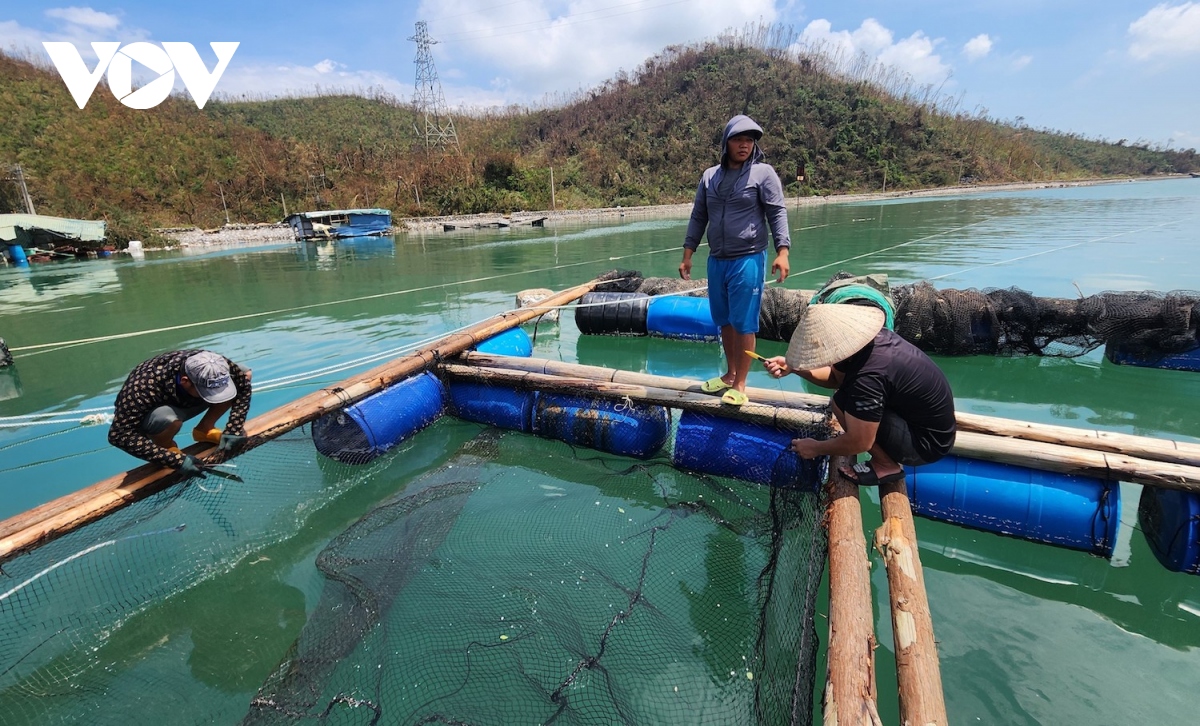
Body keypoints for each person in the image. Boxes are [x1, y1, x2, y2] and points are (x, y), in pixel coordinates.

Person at [761, 303, 956, 485]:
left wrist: (816, 447)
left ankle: (885, 465)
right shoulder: (867, 342)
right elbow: (835, 380)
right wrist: (794, 368)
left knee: (846, 402)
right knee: (841, 399)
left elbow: (860, 442)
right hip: (915, 421)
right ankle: (883, 456)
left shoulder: (869, 376)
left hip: (924, 445)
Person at [680, 114, 791, 406]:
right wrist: (688, 254)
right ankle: (729, 374)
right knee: (725, 320)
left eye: (749, 140)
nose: (744, 145)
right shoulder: (709, 176)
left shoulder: (763, 173)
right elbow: (698, 216)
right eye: (738, 139)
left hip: (748, 258)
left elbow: (776, 212)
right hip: (717, 259)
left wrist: (783, 251)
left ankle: (741, 384)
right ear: (726, 143)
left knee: (744, 323)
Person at [108, 349, 252, 477]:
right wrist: (173, 460)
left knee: (244, 375)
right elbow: (119, 435)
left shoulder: (213, 362)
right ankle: (167, 447)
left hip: (192, 399)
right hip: (165, 410)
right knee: (165, 419)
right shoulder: (141, 388)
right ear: (185, 381)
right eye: (208, 392)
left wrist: (235, 427)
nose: (218, 395)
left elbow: (243, 385)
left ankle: (204, 429)